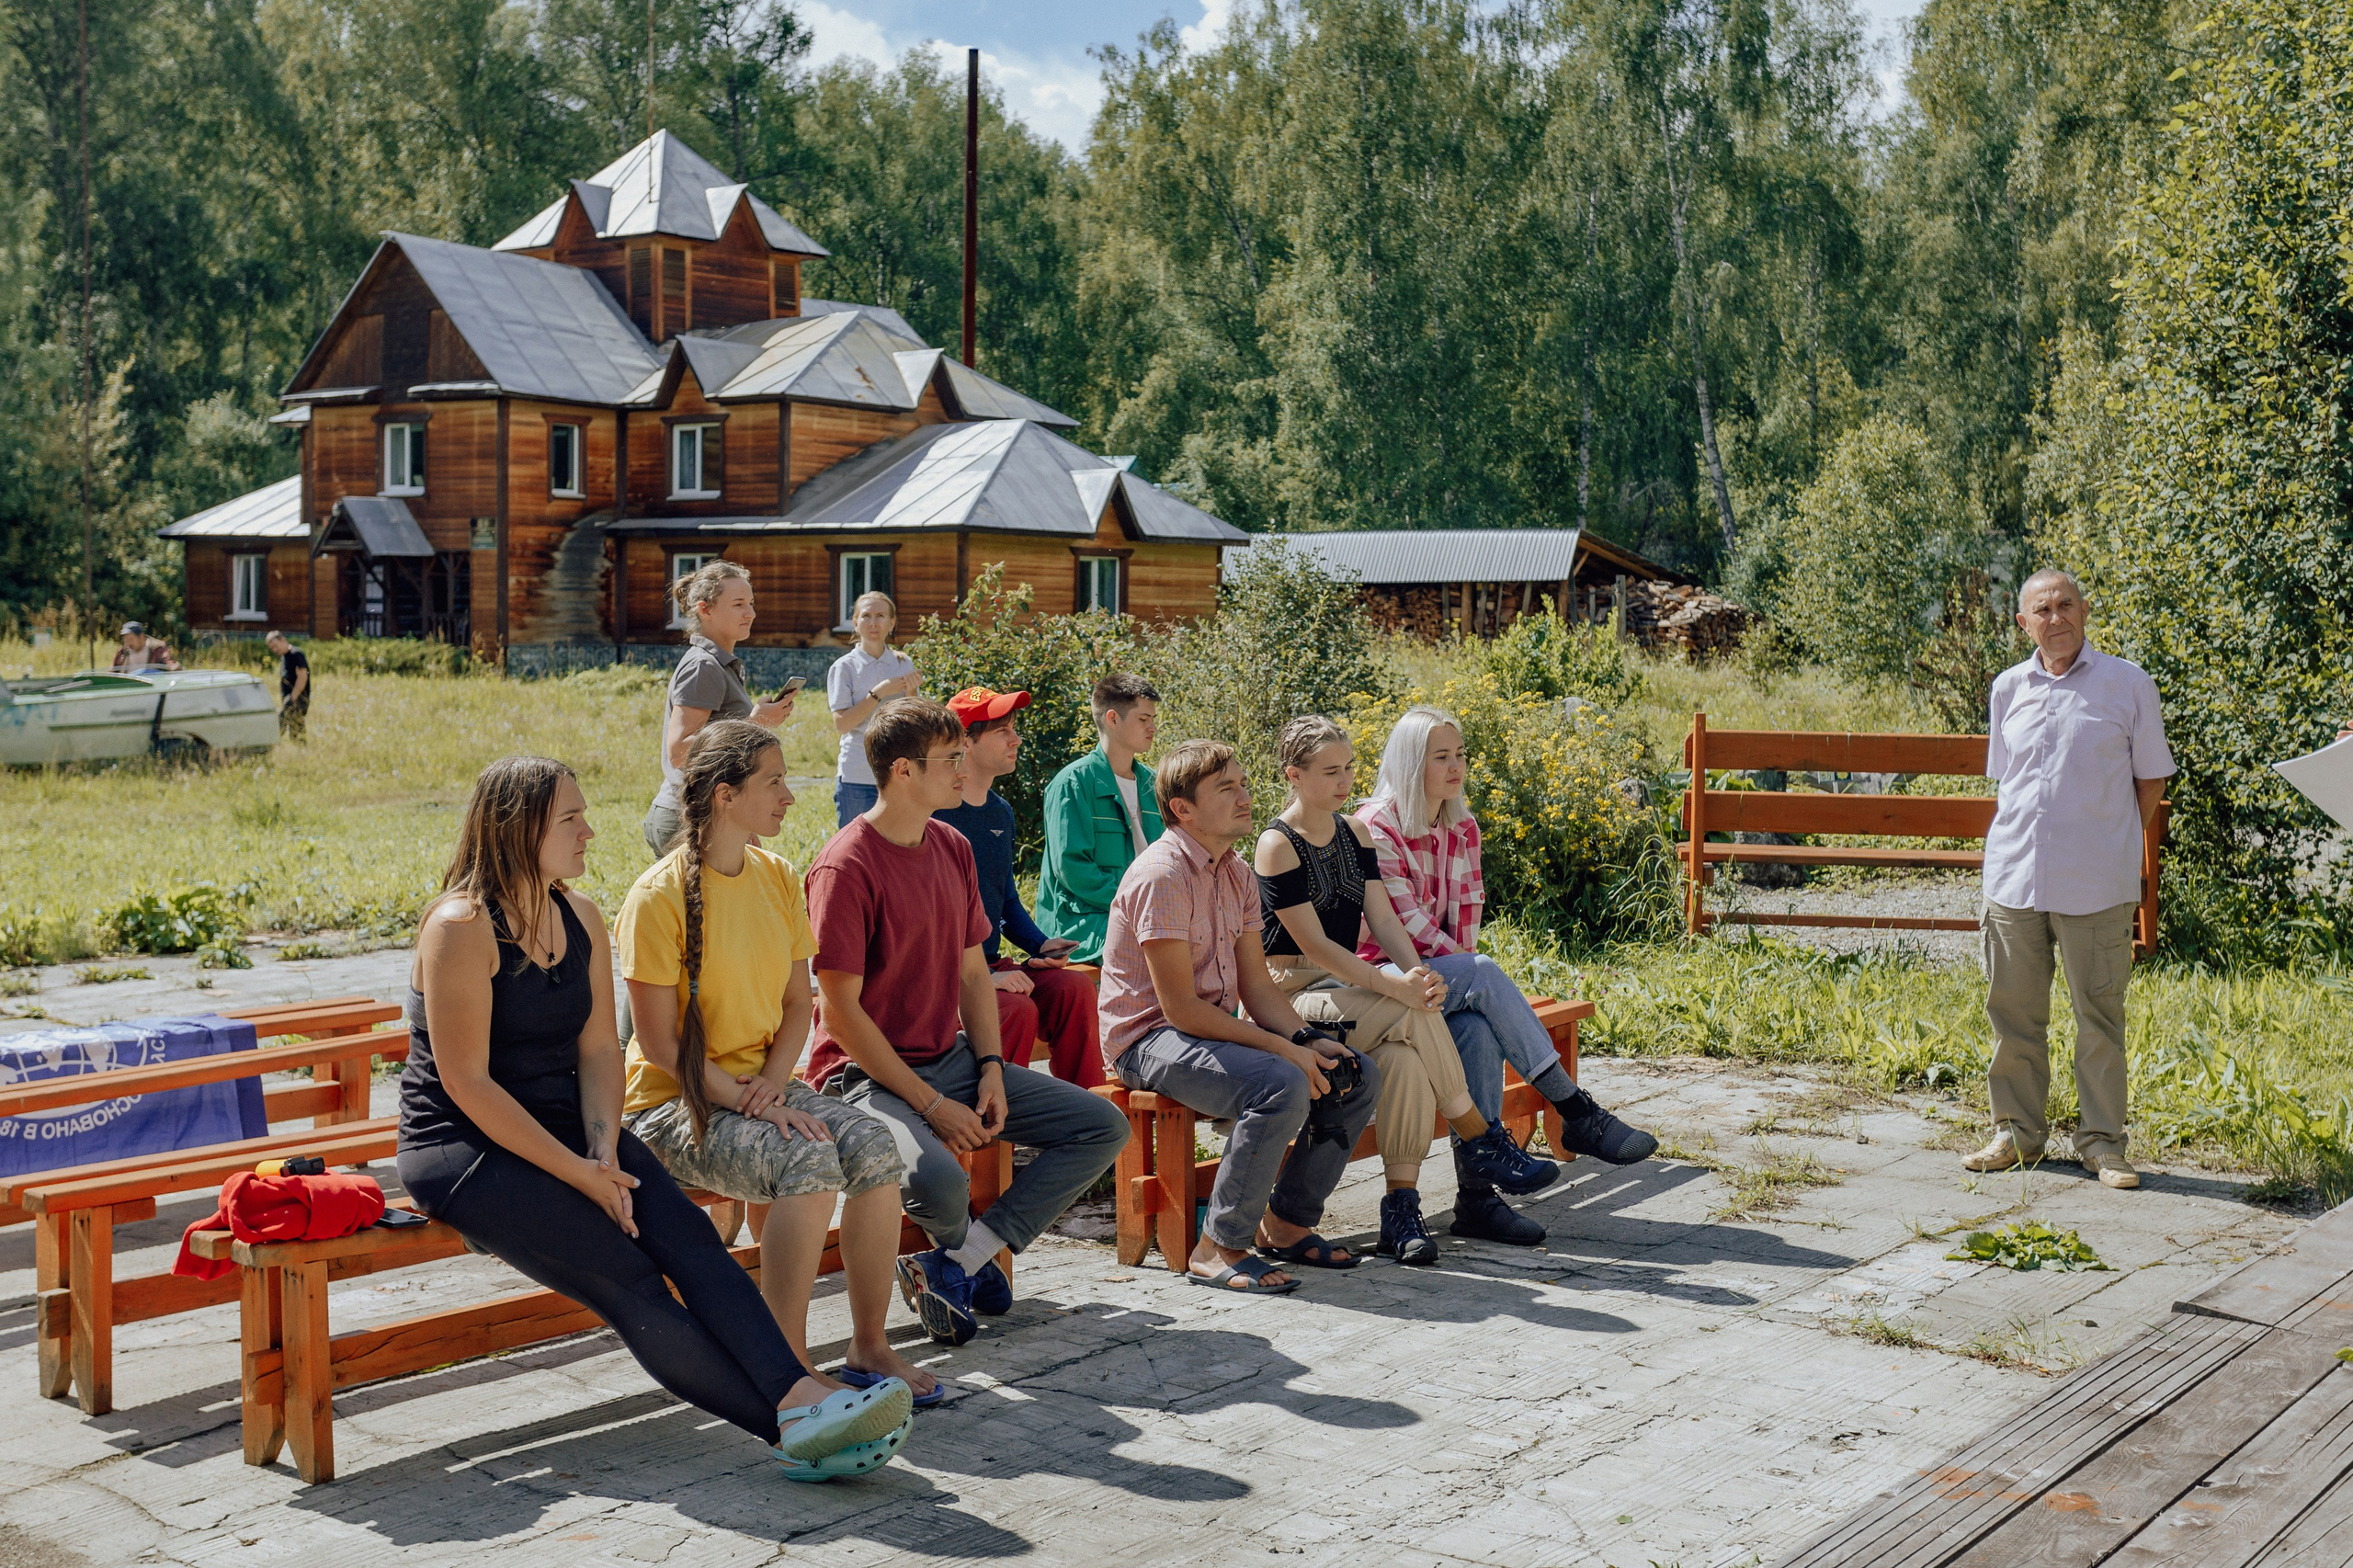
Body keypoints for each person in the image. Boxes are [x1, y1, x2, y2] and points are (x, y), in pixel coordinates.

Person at [396, 755, 912, 1479]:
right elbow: (469, 1085)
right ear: (518, 828)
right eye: (570, 818)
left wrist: (604, 1155)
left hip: (574, 1129)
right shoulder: (461, 927)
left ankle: (798, 1396)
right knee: (628, 1278)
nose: (590, 831)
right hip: (467, 1148)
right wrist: (581, 1174)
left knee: (693, 1244)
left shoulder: (575, 914)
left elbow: (604, 1051)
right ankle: (788, 1419)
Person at [615, 720, 940, 1408]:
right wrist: (745, 1098)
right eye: (774, 782)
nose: (791, 796)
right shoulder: (656, 896)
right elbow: (663, 1044)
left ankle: (868, 1346)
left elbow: (801, 1003)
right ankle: (785, 1369)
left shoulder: (779, 877)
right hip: (671, 1106)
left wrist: (769, 1085)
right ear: (725, 795)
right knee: (807, 1157)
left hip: (765, 1089)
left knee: (876, 1145)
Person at [802, 698, 1130, 1346]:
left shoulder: (949, 845)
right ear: (902, 771)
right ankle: (963, 1261)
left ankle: (956, 1264)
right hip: (860, 1077)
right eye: (950, 759)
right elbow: (839, 1014)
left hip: (946, 1058)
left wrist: (988, 1069)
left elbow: (974, 973)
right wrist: (930, 1102)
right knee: (943, 1182)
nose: (962, 771)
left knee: (1101, 1127)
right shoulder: (845, 865)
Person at [1255, 716, 1560, 1266]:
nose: (1345, 781)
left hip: (1350, 992)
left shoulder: (1355, 833)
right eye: (1330, 772)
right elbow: (1318, 948)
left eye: (1349, 768)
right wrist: (1395, 986)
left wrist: (1414, 971)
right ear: (1293, 776)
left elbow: (1386, 919)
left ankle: (1401, 1209)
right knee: (1408, 1013)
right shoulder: (1277, 845)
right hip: (1294, 999)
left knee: (1403, 1058)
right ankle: (1481, 1137)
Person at [1362, 706, 1657, 1248]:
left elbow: (1464, 928)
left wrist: (1469, 982)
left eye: (1460, 756)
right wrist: (1470, 977)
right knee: (1479, 977)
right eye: (1441, 757)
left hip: (1439, 980)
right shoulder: (1376, 827)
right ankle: (1574, 1109)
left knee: (1475, 1023)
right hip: (1381, 981)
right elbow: (1407, 929)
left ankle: (1476, 1202)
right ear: (1409, 764)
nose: (1456, 768)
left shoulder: (1462, 825)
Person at [1097, 738, 1382, 1295]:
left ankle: (1288, 1223)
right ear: (1183, 809)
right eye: (1226, 788)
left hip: (1201, 1030)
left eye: (1245, 784)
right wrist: (1285, 1052)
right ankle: (1219, 1245)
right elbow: (1179, 1010)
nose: (1245, 796)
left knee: (1355, 1072)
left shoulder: (1236, 873)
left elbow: (1255, 986)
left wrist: (1305, 1038)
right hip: (1147, 1039)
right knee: (1280, 1083)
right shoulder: (1163, 874)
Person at [1965, 568, 2174, 1189]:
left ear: (2084, 611)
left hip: (2097, 885)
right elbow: (2009, 780)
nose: (2055, 618)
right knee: (2013, 1014)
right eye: (2041, 609)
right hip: (2013, 880)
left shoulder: (2128, 684)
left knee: (2099, 1019)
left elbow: (2151, 780)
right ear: (2023, 622)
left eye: (2065, 605)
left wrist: (2108, 843)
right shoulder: (2008, 688)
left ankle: (2104, 1144)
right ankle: (2016, 1133)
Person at [936, 687, 1105, 1089]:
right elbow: (925, 920)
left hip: (992, 964)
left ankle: (1089, 1123)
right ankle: (997, 1138)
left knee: (1075, 989)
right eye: (1002, 731)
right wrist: (977, 976)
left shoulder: (1000, 811)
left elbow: (1005, 898)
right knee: (1014, 1009)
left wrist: (1041, 945)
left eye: (1015, 729)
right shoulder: (934, 815)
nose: (1017, 739)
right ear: (965, 742)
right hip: (947, 975)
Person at [643, 561, 798, 857]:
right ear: (705, 610)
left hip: (709, 813)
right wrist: (756, 723)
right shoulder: (704, 665)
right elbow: (679, 751)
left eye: (751, 603)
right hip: (688, 818)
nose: (750, 613)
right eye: (738, 604)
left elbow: (721, 749)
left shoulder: (719, 664)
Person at [1037, 674, 1164, 963]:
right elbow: (1072, 869)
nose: (1153, 727)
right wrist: (1138, 903)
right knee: (1167, 952)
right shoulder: (1073, 783)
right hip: (1086, 925)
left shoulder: (1153, 785)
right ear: (1112, 719)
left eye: (1153, 719)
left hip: (1146, 914)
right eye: (1144, 719)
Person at [826, 591, 920, 827]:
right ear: (855, 623)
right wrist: (878, 692)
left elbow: (913, 719)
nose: (873, 622)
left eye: (880, 615)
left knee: (896, 852)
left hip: (897, 775)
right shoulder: (844, 667)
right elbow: (842, 724)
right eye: (866, 615)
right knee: (857, 853)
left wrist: (911, 692)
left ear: (892, 623)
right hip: (857, 775)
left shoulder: (903, 663)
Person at [266, 631, 309, 741]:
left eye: (276, 646)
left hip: (297, 699)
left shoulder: (295, 654)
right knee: (290, 729)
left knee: (288, 728)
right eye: (272, 648)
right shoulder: (284, 657)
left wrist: (292, 697)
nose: (275, 650)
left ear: (283, 640)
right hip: (289, 699)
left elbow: (303, 676)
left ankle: (267, 748)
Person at [112, 622, 178, 672]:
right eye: (126, 640)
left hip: (151, 685)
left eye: (131, 639)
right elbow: (113, 671)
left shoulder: (156, 648)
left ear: (141, 637)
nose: (128, 643)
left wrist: (173, 667)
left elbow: (167, 660)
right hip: (129, 686)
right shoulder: (123, 652)